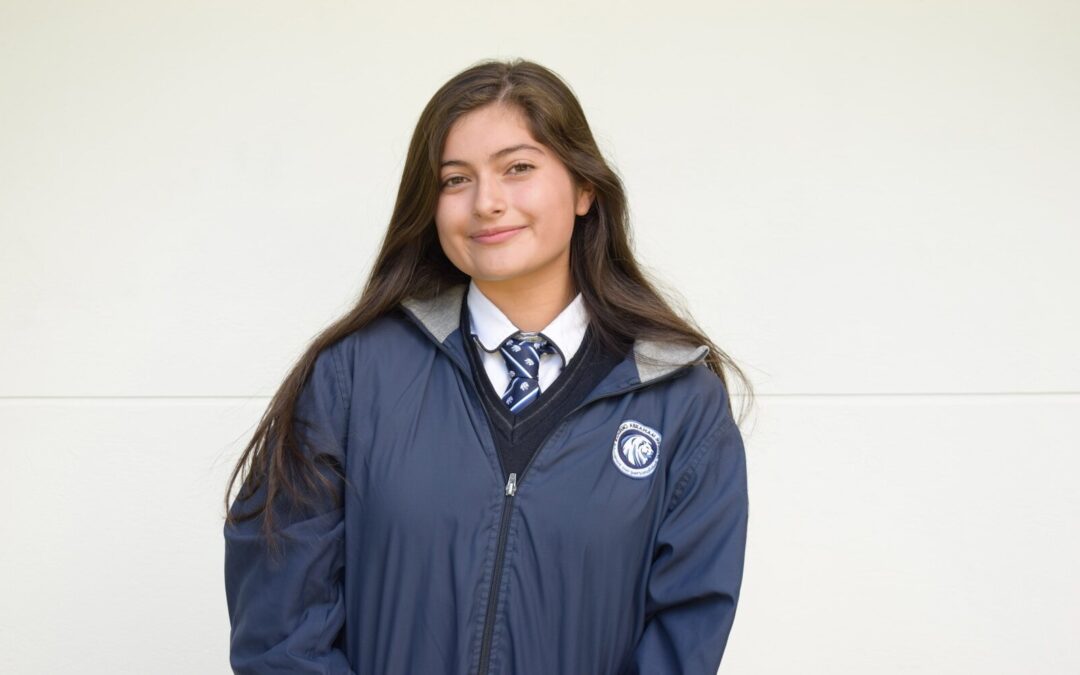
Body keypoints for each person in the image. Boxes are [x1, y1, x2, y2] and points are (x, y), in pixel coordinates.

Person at [223, 57, 753, 675]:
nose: (487, 203)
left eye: (518, 168)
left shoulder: (680, 401)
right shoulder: (353, 376)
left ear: (585, 189)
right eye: (456, 180)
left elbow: (684, 639)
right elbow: (281, 633)